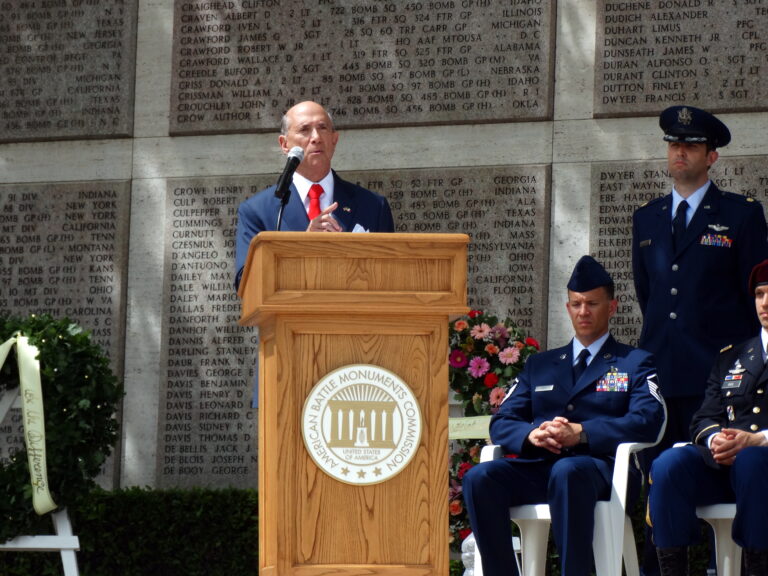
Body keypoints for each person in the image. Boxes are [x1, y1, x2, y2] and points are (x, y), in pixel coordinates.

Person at [463, 255, 665, 576]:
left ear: (612, 307)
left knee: (569, 471)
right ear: (568, 307)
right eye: (576, 304)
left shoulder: (634, 362)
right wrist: (531, 435)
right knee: (479, 478)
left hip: (602, 472)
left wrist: (582, 432)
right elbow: (502, 422)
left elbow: (647, 420)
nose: (583, 312)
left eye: (593, 304)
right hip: (541, 468)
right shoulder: (540, 364)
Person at [632, 105, 768, 575]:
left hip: (718, 381)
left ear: (712, 157)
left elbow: (752, 294)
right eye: (674, 144)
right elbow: (647, 294)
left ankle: (721, 568)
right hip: (661, 378)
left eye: (690, 145)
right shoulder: (646, 219)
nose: (679, 152)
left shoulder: (740, 216)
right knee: (661, 480)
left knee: (729, 473)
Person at [649, 258, 768, 576]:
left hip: (761, 469)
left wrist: (757, 440)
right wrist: (717, 439)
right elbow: (703, 418)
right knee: (668, 465)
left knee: (752, 461)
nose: (765, 303)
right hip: (726, 468)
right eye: (759, 294)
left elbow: (753, 446)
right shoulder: (733, 357)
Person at [234, 100, 394, 289]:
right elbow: (246, 283)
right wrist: (304, 246)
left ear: (334, 139)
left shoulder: (373, 205)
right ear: (284, 144)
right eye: (305, 130)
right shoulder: (258, 211)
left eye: (322, 128)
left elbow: (391, 276)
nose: (316, 137)